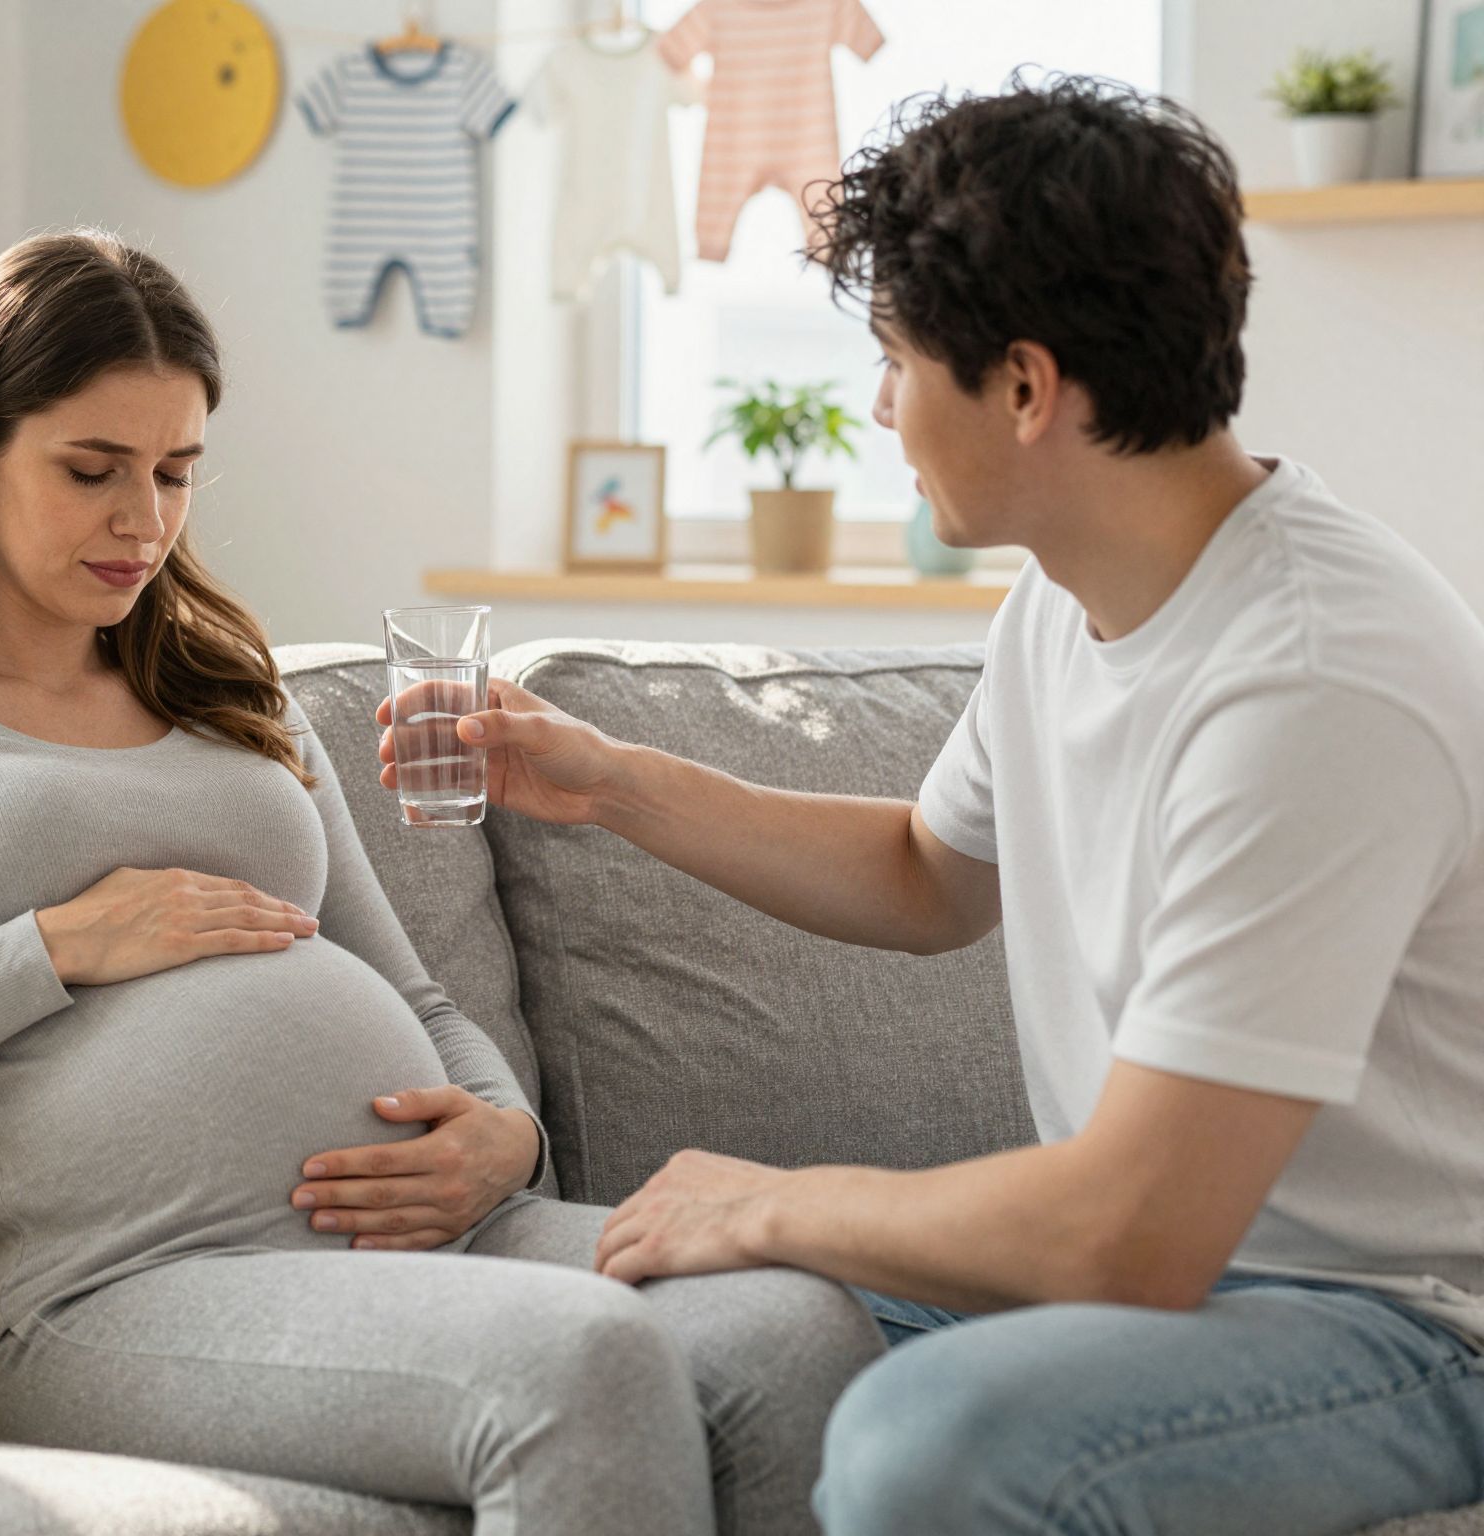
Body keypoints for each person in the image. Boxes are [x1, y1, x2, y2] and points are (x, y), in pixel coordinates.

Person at [389, 75, 1484, 1534]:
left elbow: (1134, 1234)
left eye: (899, 361)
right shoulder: (1070, 595)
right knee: (614, 1299)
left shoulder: (1316, 678)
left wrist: (775, 1203)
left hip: (1399, 1324)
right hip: (1169, 1286)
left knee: (930, 1439)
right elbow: (928, 873)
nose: (881, 406)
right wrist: (605, 784)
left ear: (1027, 388)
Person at [0, 228, 881, 1536]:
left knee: (794, 1325)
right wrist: (58, 944)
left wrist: (503, 1131)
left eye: (176, 473)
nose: (144, 523)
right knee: (579, 1363)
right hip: (123, 1289)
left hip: (436, 1239)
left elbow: (408, 986)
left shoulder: (226, 687)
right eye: (93, 471)